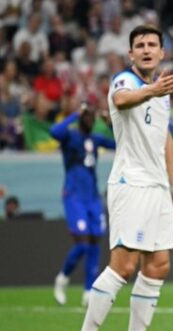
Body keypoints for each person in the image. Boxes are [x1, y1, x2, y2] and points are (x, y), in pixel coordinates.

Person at [68, 25, 173, 331]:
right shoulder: (126, 81)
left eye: (153, 44)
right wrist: (152, 89)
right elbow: (121, 100)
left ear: (162, 52)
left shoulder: (161, 91)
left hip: (156, 187)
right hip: (130, 183)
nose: (147, 49)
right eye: (140, 45)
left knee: (159, 264)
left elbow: (164, 139)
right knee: (123, 264)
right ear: (131, 54)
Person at [51, 103, 116, 307]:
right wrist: (74, 113)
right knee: (82, 244)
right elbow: (54, 131)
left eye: (92, 118)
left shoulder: (95, 139)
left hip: (92, 197)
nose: (89, 120)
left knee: (95, 242)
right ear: (81, 118)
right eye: (86, 117)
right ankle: (62, 278)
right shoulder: (69, 136)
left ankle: (89, 291)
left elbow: (120, 143)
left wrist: (110, 123)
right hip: (74, 195)